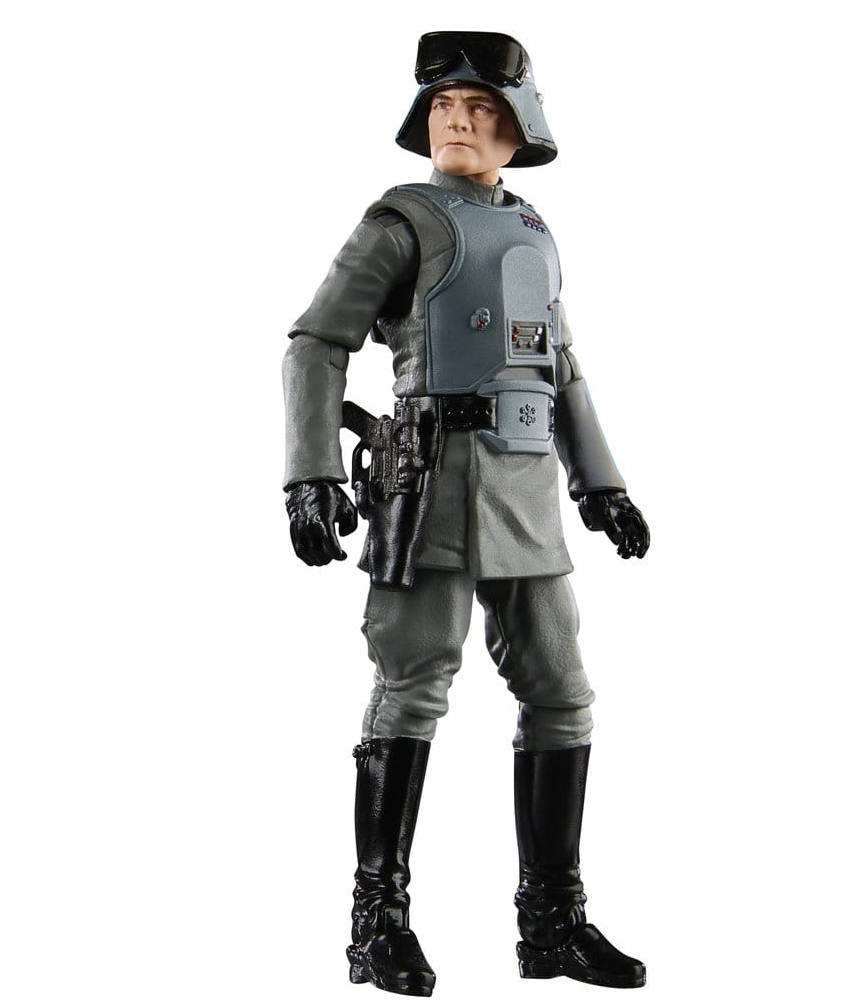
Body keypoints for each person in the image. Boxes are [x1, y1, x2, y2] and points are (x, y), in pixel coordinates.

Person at [282, 31, 650, 996]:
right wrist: (310, 474)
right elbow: (316, 342)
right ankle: (377, 923)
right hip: (429, 486)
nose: (456, 120)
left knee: (561, 692)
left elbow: (558, 365)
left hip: (526, 494)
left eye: (479, 108)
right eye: (443, 106)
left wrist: (601, 484)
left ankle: (552, 922)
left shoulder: (532, 228)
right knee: (412, 687)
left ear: (518, 130)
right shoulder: (400, 221)